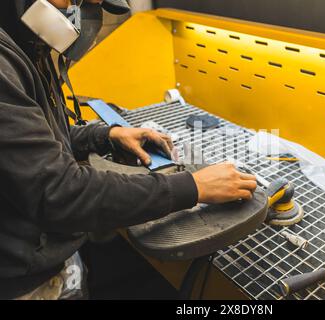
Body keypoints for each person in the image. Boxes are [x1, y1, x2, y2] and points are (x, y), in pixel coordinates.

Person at [0, 0, 257, 299]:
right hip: (25, 281)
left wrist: (106, 135)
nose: (78, 10)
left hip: (49, 257)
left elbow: (39, 138)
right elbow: (58, 192)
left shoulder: (23, 46)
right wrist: (193, 187)